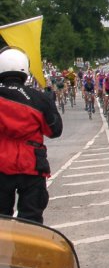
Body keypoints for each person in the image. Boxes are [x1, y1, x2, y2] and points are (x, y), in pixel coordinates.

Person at [0, 47, 63, 223]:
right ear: (25, 70)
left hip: (1, 165)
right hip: (31, 165)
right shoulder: (39, 99)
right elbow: (54, 131)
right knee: (31, 221)